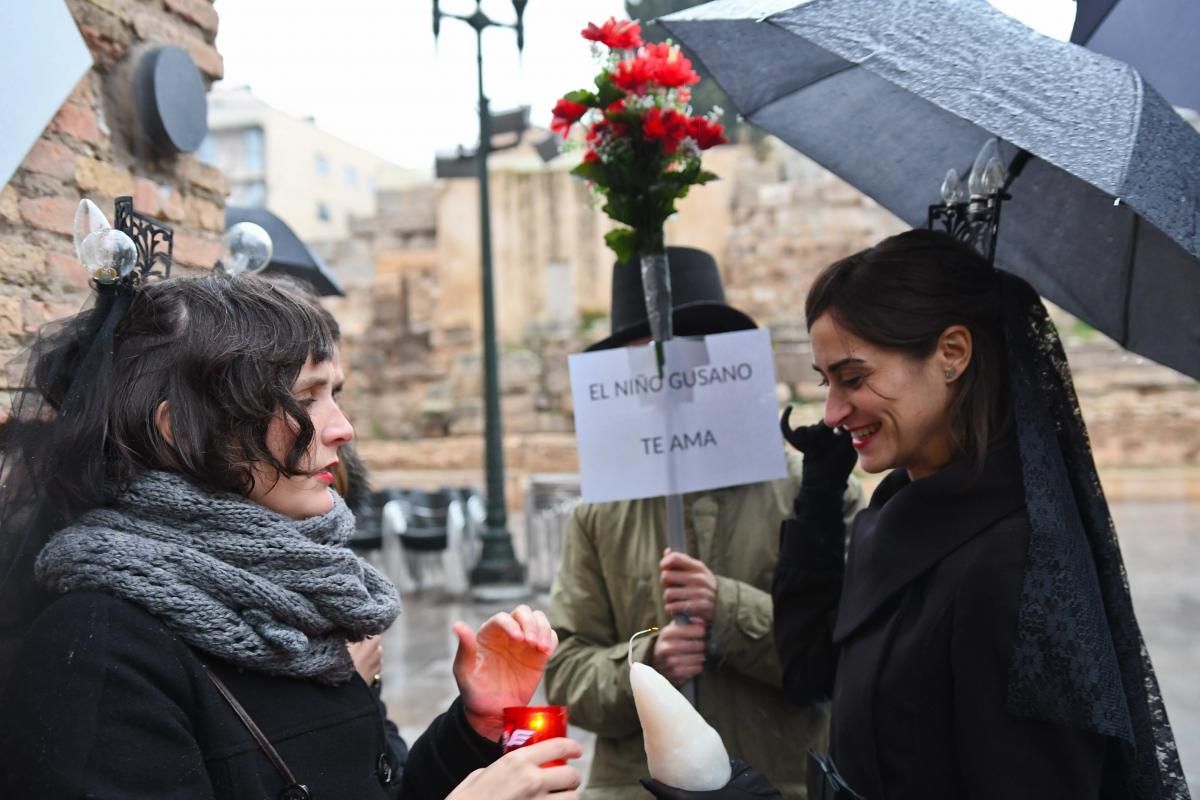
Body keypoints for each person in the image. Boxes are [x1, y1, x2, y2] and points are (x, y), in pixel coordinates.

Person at [0, 268, 582, 799]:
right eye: (305, 397)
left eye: (337, 394)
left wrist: (473, 728)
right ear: (180, 431)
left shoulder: (306, 604)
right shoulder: (99, 649)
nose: (343, 429)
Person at [772, 230, 1188, 799]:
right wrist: (818, 498)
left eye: (854, 378)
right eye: (826, 383)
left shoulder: (1011, 562)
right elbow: (810, 671)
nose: (834, 412)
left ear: (952, 354)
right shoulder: (897, 509)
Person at [544, 247, 864, 800]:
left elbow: (849, 657)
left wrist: (728, 609)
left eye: (682, 357)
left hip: (780, 783)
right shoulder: (600, 508)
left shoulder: (812, 489)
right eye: (642, 363)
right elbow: (566, 673)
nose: (664, 380)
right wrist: (647, 660)